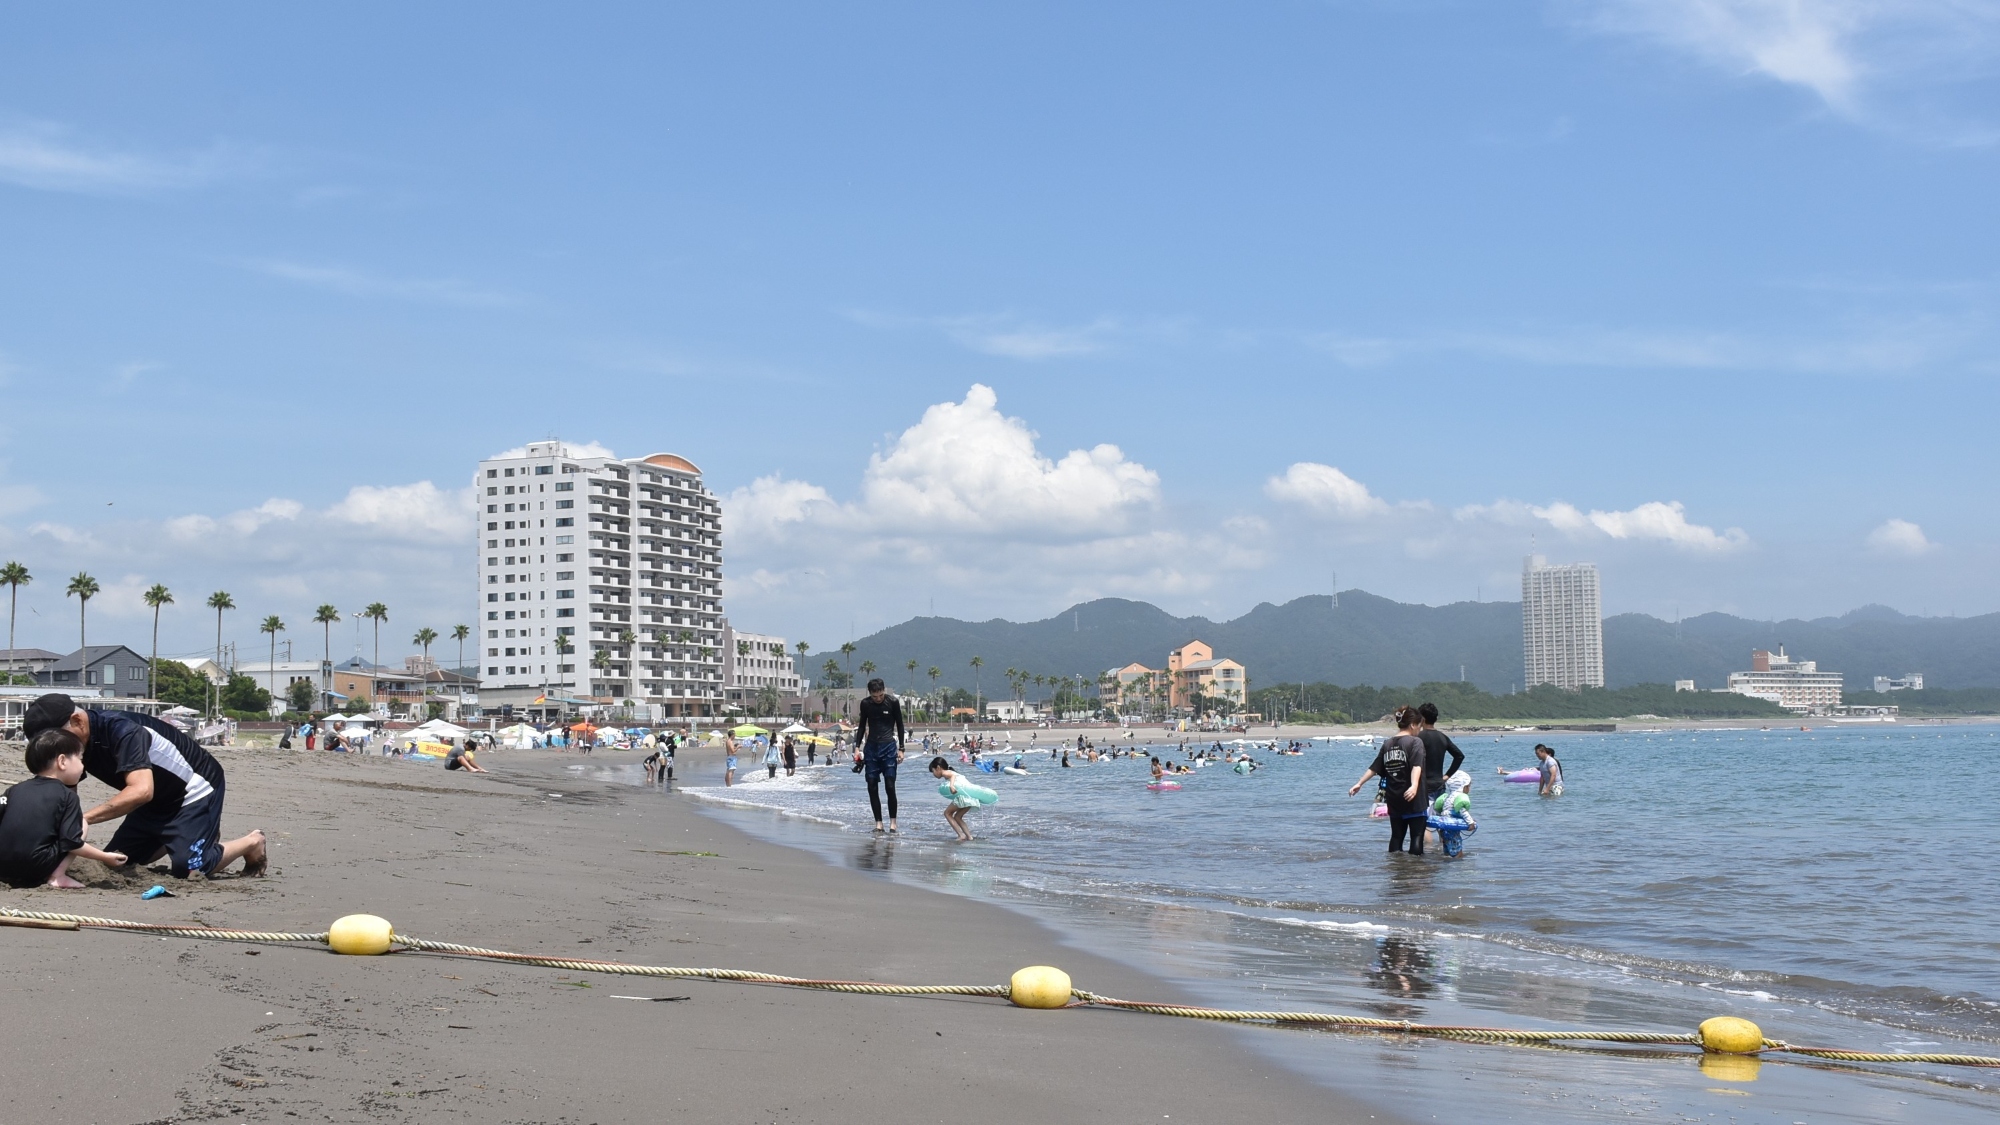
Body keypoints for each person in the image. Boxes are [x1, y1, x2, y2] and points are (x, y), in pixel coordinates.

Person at [22, 693, 267, 879]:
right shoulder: (73, 743)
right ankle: (181, 836)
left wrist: (85, 818)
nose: (57, 750)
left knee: (191, 867)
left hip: (194, 789)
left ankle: (251, 842)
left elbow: (141, 791)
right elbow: (67, 792)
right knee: (115, 863)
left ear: (77, 721)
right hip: (152, 802)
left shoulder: (124, 731)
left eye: (57, 740)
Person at [0, 728, 130, 888]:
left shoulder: (14, 790)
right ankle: (58, 876)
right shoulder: (67, 796)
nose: (83, 766)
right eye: (80, 759)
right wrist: (104, 857)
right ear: (62, 761)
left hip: (3, 867)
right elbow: (72, 842)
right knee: (81, 823)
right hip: (36, 867)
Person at [1348, 705, 1427, 855]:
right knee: (1417, 837)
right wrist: (1414, 786)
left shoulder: (1388, 743)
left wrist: (1359, 783)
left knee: (1396, 837)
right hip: (1413, 797)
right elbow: (1417, 766)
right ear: (1412, 725)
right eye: (1419, 726)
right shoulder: (1415, 742)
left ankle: (1395, 867)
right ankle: (1417, 872)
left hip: (1394, 798)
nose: (1419, 730)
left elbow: (1375, 767)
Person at [853, 678, 906, 834]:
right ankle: (879, 824)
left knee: (890, 786)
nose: (878, 699)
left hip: (889, 747)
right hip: (871, 748)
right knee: (871, 786)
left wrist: (901, 748)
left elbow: (900, 725)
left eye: (880, 695)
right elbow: (862, 725)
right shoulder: (865, 704)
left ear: (884, 691)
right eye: (875, 696)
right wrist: (857, 748)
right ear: (870, 694)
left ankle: (893, 824)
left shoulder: (893, 702)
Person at [928, 756, 994, 842]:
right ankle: (969, 837)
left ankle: (961, 835)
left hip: (963, 797)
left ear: (938, 768)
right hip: (970, 797)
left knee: (947, 813)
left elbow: (952, 776)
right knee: (958, 817)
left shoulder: (946, 772)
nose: (933, 774)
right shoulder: (951, 772)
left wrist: (951, 786)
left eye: (933, 771)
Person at [1427, 772, 1476, 858]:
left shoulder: (1448, 797)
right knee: (1457, 848)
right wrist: (1471, 823)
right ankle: (1457, 863)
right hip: (1452, 829)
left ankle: (1446, 860)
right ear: (1464, 787)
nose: (1469, 789)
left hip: (1444, 827)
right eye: (1469, 786)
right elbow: (1462, 811)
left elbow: (1441, 811)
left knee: (1447, 846)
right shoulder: (1459, 797)